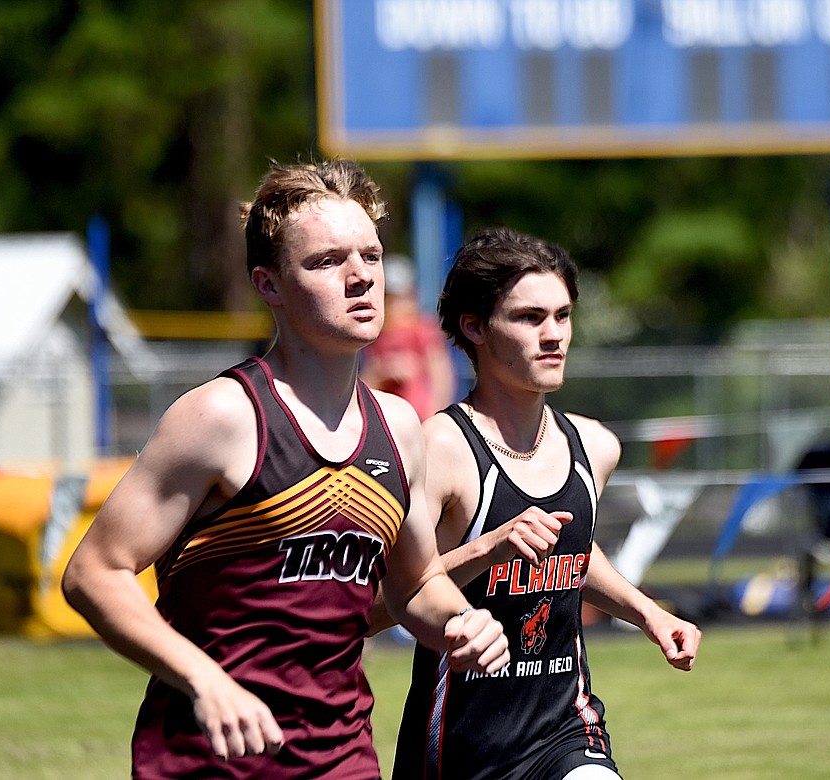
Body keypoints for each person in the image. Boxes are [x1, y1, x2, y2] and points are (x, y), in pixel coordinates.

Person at [62, 159, 509, 779]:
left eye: (371, 257)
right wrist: (204, 680)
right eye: (327, 262)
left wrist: (461, 622)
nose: (360, 278)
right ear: (268, 284)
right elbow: (93, 572)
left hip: (344, 760)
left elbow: (413, 585)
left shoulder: (401, 429)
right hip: (211, 761)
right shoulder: (221, 416)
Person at [384, 226, 703, 780]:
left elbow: (575, 553)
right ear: (474, 327)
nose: (554, 335)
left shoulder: (595, 448)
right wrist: (487, 548)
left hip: (566, 733)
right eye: (530, 318)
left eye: (563, 315)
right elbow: (381, 605)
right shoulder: (437, 449)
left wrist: (650, 614)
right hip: (460, 751)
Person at [361, 254, 455, 420]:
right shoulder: (375, 334)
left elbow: (440, 373)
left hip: (420, 416)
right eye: (390, 299)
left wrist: (436, 413)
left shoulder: (423, 330)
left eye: (402, 297)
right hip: (386, 419)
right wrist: (384, 372)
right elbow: (366, 381)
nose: (396, 305)